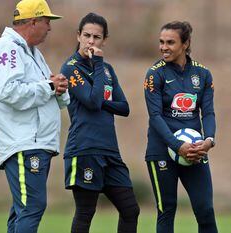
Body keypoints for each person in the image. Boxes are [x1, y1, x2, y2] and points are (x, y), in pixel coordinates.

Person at [0, 0, 69, 232]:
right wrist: (50, 87)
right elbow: (8, 91)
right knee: (32, 206)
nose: (50, 28)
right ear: (33, 22)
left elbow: (47, 90)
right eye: (47, 22)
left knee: (24, 209)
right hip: (23, 143)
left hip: (36, 143)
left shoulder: (33, 53)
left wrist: (58, 87)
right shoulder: (7, 49)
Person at [60, 13, 140, 233]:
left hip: (110, 151)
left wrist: (101, 95)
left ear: (104, 39)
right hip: (85, 147)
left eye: (97, 37)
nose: (91, 42)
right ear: (78, 35)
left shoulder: (107, 70)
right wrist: (98, 64)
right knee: (86, 213)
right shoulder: (71, 68)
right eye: (86, 35)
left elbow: (124, 107)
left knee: (130, 209)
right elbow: (93, 102)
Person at [143, 21, 218, 233]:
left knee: (205, 210)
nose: (163, 47)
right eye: (161, 42)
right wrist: (177, 145)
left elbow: (209, 112)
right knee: (167, 210)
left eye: (170, 42)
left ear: (185, 44)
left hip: (195, 151)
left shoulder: (203, 74)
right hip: (162, 152)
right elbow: (155, 116)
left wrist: (208, 140)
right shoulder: (154, 74)